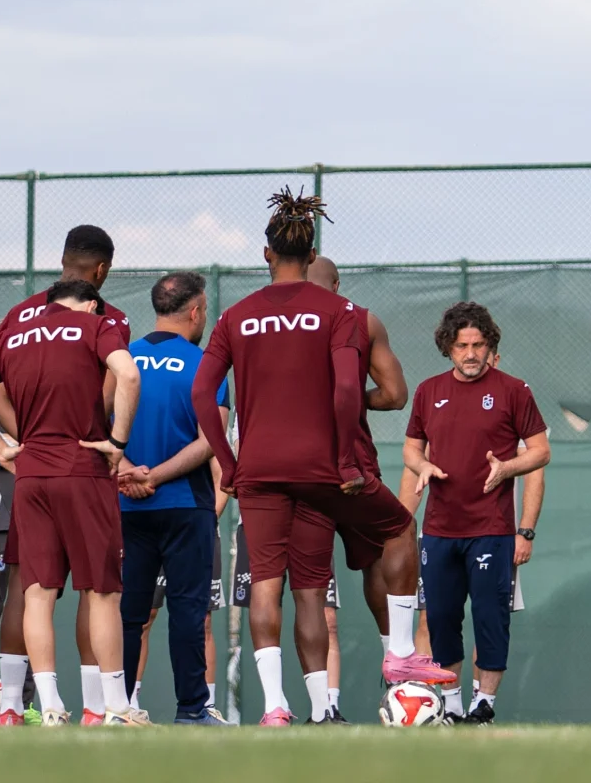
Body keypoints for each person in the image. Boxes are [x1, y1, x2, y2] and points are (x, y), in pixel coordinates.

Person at [192, 191, 377, 725]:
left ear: (267, 254)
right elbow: (347, 390)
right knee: (312, 593)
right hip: (320, 470)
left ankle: (275, 706)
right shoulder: (340, 311)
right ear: (312, 251)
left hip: (260, 470)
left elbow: (204, 395)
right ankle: (323, 709)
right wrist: (345, 459)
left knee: (266, 586)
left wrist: (228, 461)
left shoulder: (236, 316)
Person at [0, 278, 141, 724]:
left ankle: (51, 707)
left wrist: (1, 450)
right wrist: (117, 441)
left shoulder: (13, 335)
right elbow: (129, 375)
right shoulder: (95, 326)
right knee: (101, 594)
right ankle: (114, 707)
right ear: (91, 304)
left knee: (36, 594)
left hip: (32, 475)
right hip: (83, 469)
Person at [305, 253, 450, 716]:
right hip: (351, 461)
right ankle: (398, 658)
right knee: (389, 543)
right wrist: (346, 405)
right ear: (339, 283)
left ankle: (302, 706)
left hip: (284, 462)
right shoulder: (357, 320)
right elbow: (394, 394)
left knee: (301, 588)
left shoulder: (266, 319)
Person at [401, 300, 550, 723]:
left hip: (491, 528)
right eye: (463, 345)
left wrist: (507, 468)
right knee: (442, 619)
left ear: (491, 346)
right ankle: (448, 705)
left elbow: (541, 451)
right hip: (440, 528)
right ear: (448, 347)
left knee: (490, 616)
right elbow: (411, 448)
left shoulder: (514, 390)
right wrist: (423, 465)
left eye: (479, 344)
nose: (471, 353)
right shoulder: (429, 391)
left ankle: (484, 703)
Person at [116, 270, 224, 725]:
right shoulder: (206, 364)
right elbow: (210, 441)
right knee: (187, 611)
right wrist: (157, 477)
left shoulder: (123, 360)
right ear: (196, 310)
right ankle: (191, 709)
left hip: (125, 504)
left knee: (125, 613)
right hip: (185, 505)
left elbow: (97, 431)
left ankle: (116, 706)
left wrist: (128, 472)